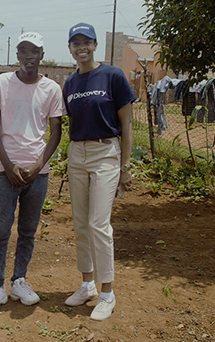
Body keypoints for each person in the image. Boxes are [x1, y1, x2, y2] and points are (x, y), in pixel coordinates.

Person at [0, 32, 66, 314]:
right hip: (6, 171)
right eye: (23, 51)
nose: (28, 56)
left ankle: (19, 280)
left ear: (42, 54)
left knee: (28, 231)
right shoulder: (2, 83)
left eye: (34, 51)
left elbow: (56, 132)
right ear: (17, 55)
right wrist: (7, 164)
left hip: (36, 174)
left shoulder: (51, 89)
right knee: (0, 231)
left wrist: (38, 165)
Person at [62, 23, 136, 321]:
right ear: (70, 48)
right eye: (75, 43)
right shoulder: (69, 83)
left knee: (98, 223)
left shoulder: (113, 76)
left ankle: (107, 294)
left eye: (87, 42)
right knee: (80, 223)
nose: (82, 47)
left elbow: (127, 124)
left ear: (95, 45)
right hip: (77, 153)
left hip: (106, 152)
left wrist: (126, 166)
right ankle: (87, 284)